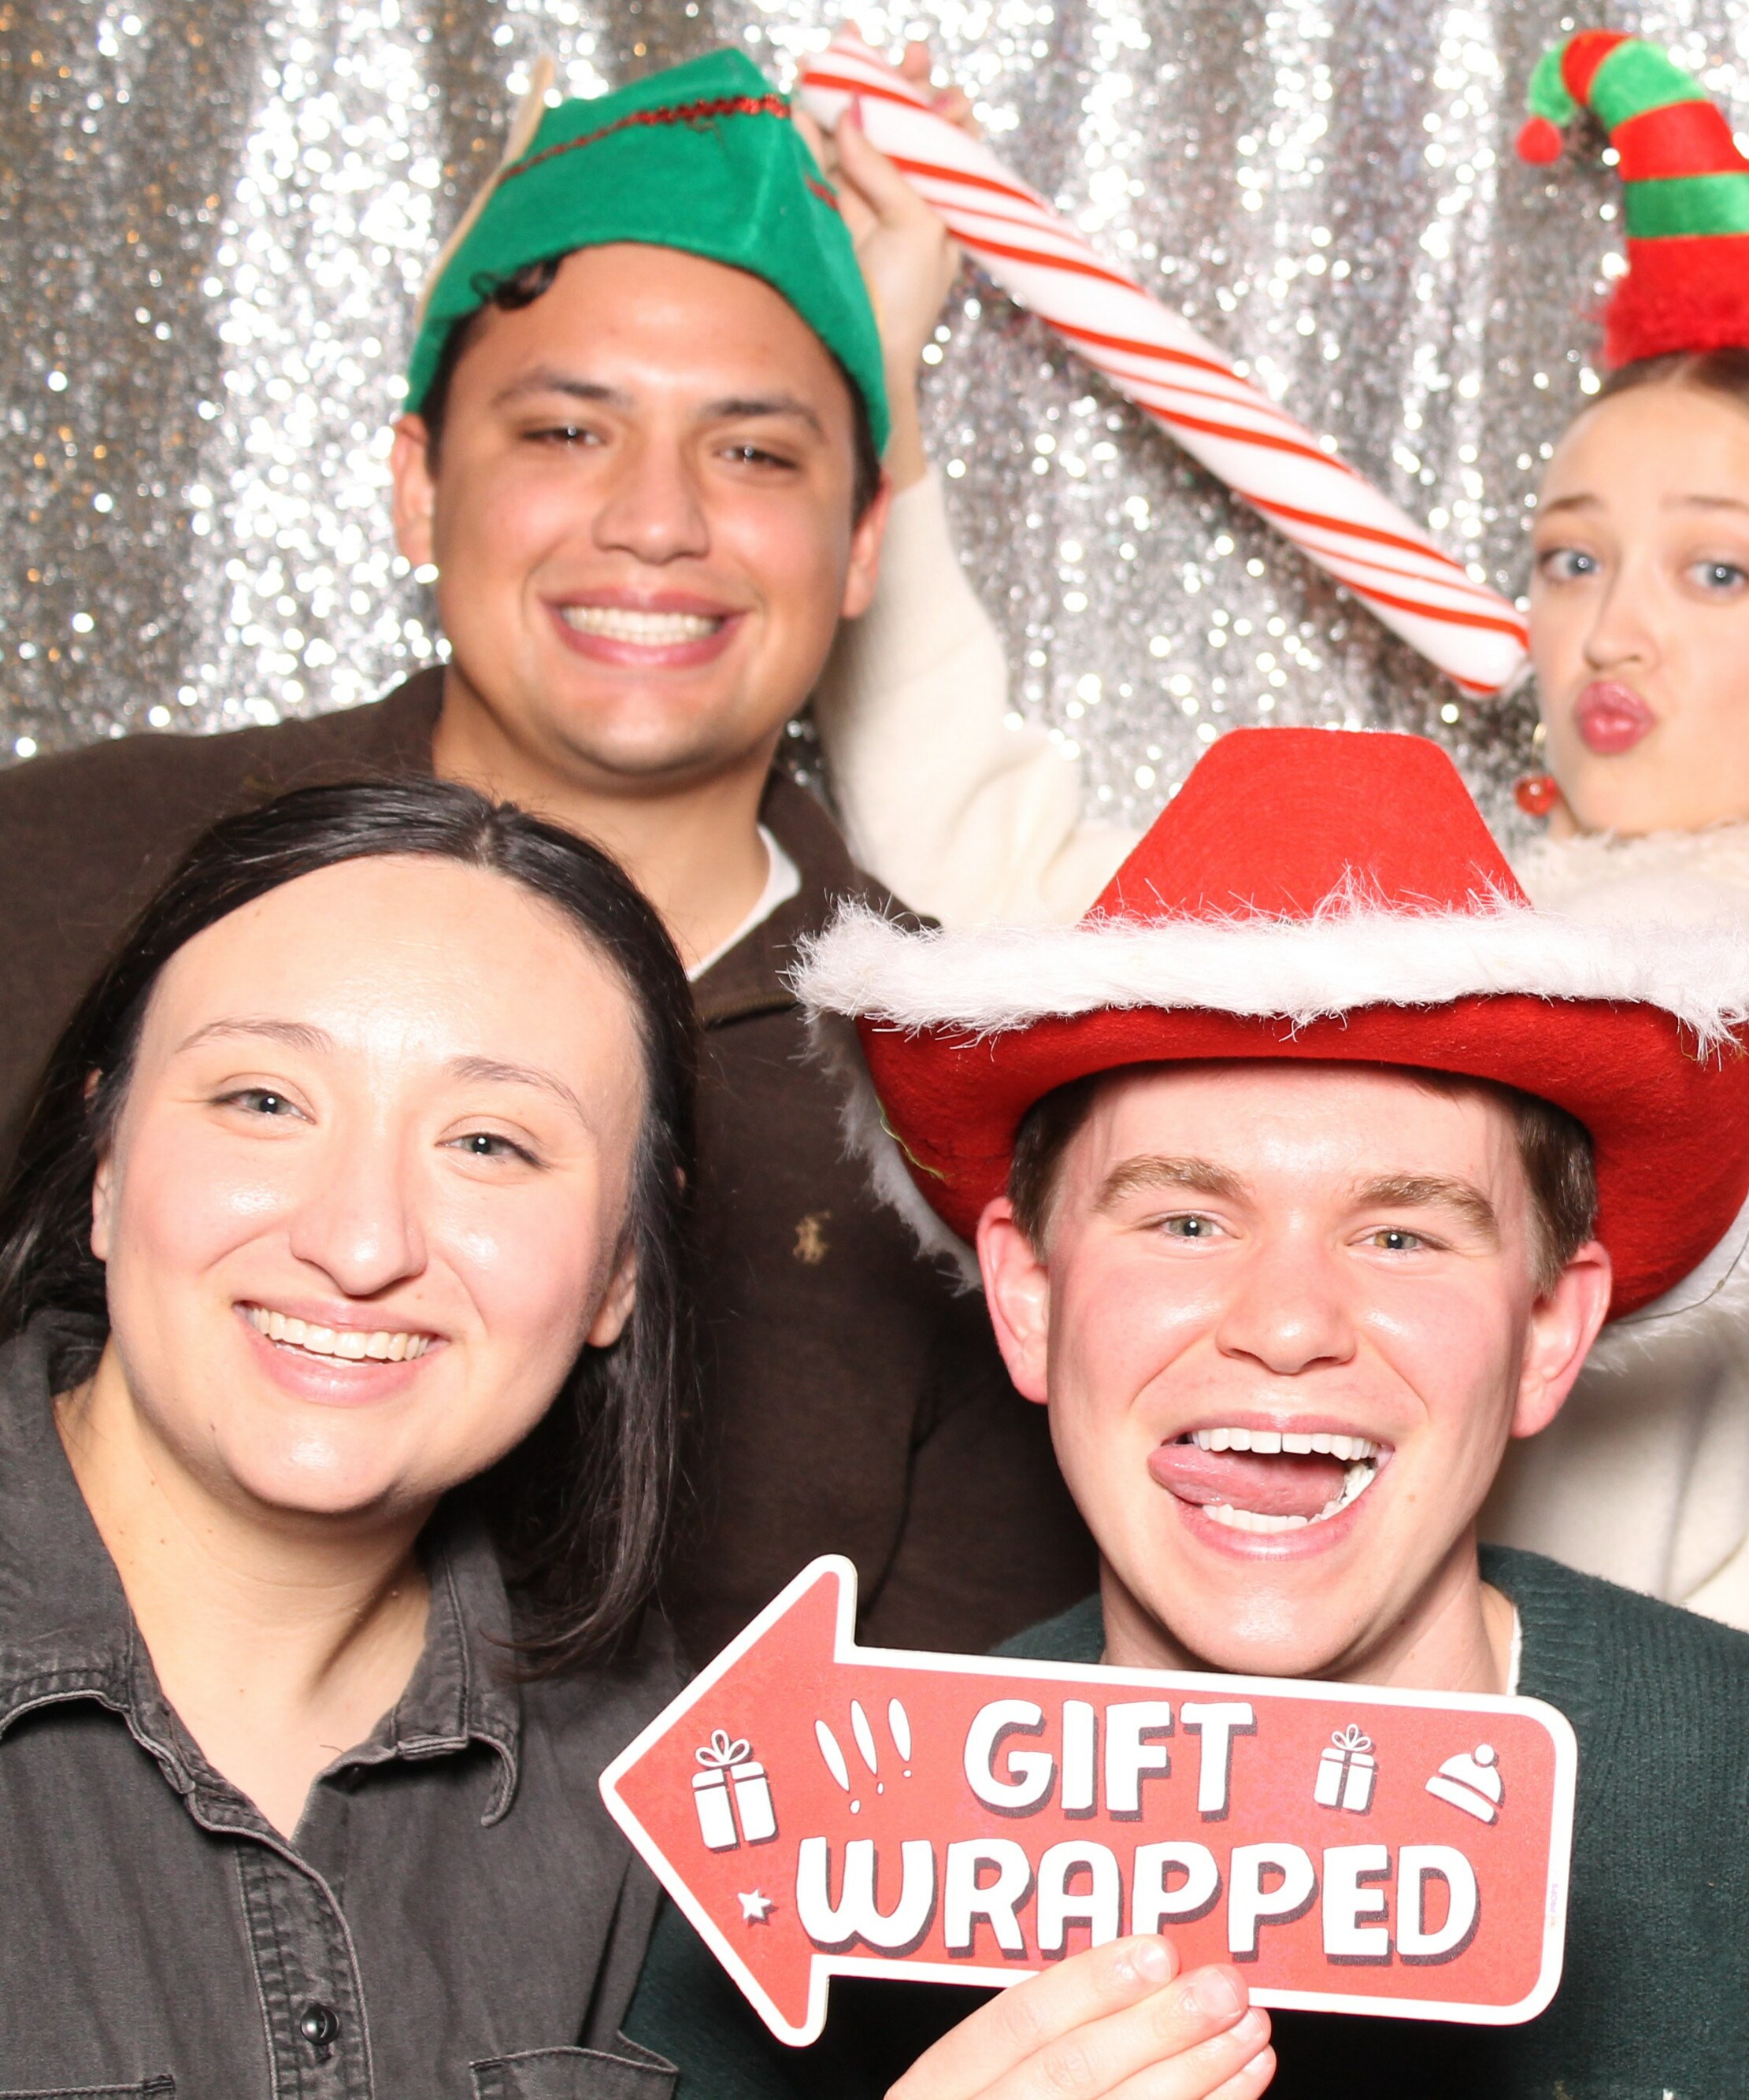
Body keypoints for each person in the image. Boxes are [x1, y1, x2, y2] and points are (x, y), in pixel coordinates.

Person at [622, 725, 1749, 2098]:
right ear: (1027, 1299)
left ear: (1548, 1331)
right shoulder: (795, 1865)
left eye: (1403, 1234)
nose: (1289, 1326)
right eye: (1186, 1222)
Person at [796, 30, 1749, 1639]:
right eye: (1570, 560)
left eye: (1716, 571)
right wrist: (887, 394)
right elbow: (992, 859)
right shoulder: (1529, 947)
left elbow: (1580, 1617)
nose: (1612, 633)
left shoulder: (1735, 1024)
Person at [0, 47, 1095, 1657]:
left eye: (753, 452)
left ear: (864, 539)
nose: (655, 521)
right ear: (418, 485)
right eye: (569, 430)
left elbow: (969, 1714)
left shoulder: (958, 1081)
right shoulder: (61, 871)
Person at [0, 780, 695, 2095]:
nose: (362, 1244)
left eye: (488, 1143)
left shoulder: (673, 1778)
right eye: (265, 1102)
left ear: (620, 1268)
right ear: (106, 1164)